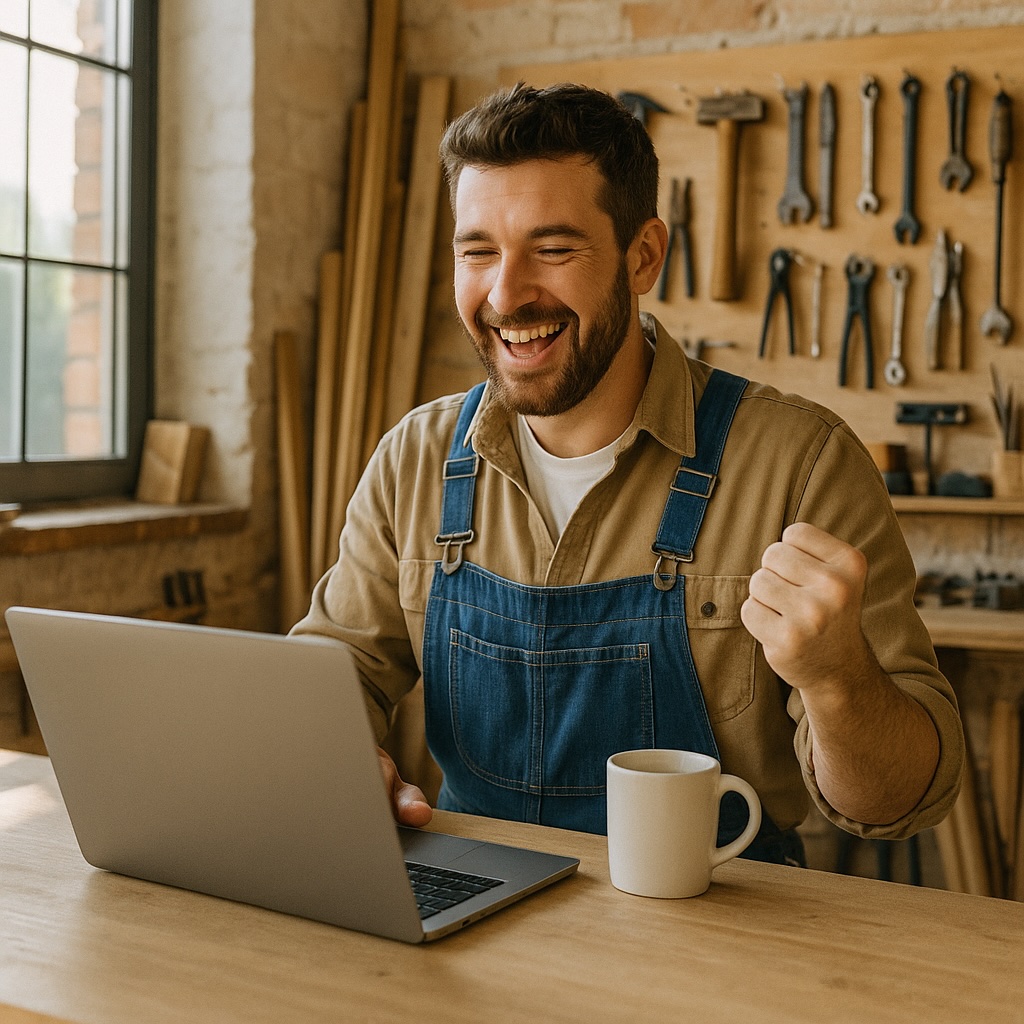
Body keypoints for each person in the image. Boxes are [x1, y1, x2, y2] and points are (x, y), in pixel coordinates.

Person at [292, 82, 964, 864]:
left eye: (553, 248)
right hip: (475, 916)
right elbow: (328, 675)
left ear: (643, 255)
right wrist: (336, 758)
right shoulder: (415, 460)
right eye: (478, 250)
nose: (506, 294)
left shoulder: (800, 468)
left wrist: (840, 679)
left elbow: (902, 803)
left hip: (714, 938)